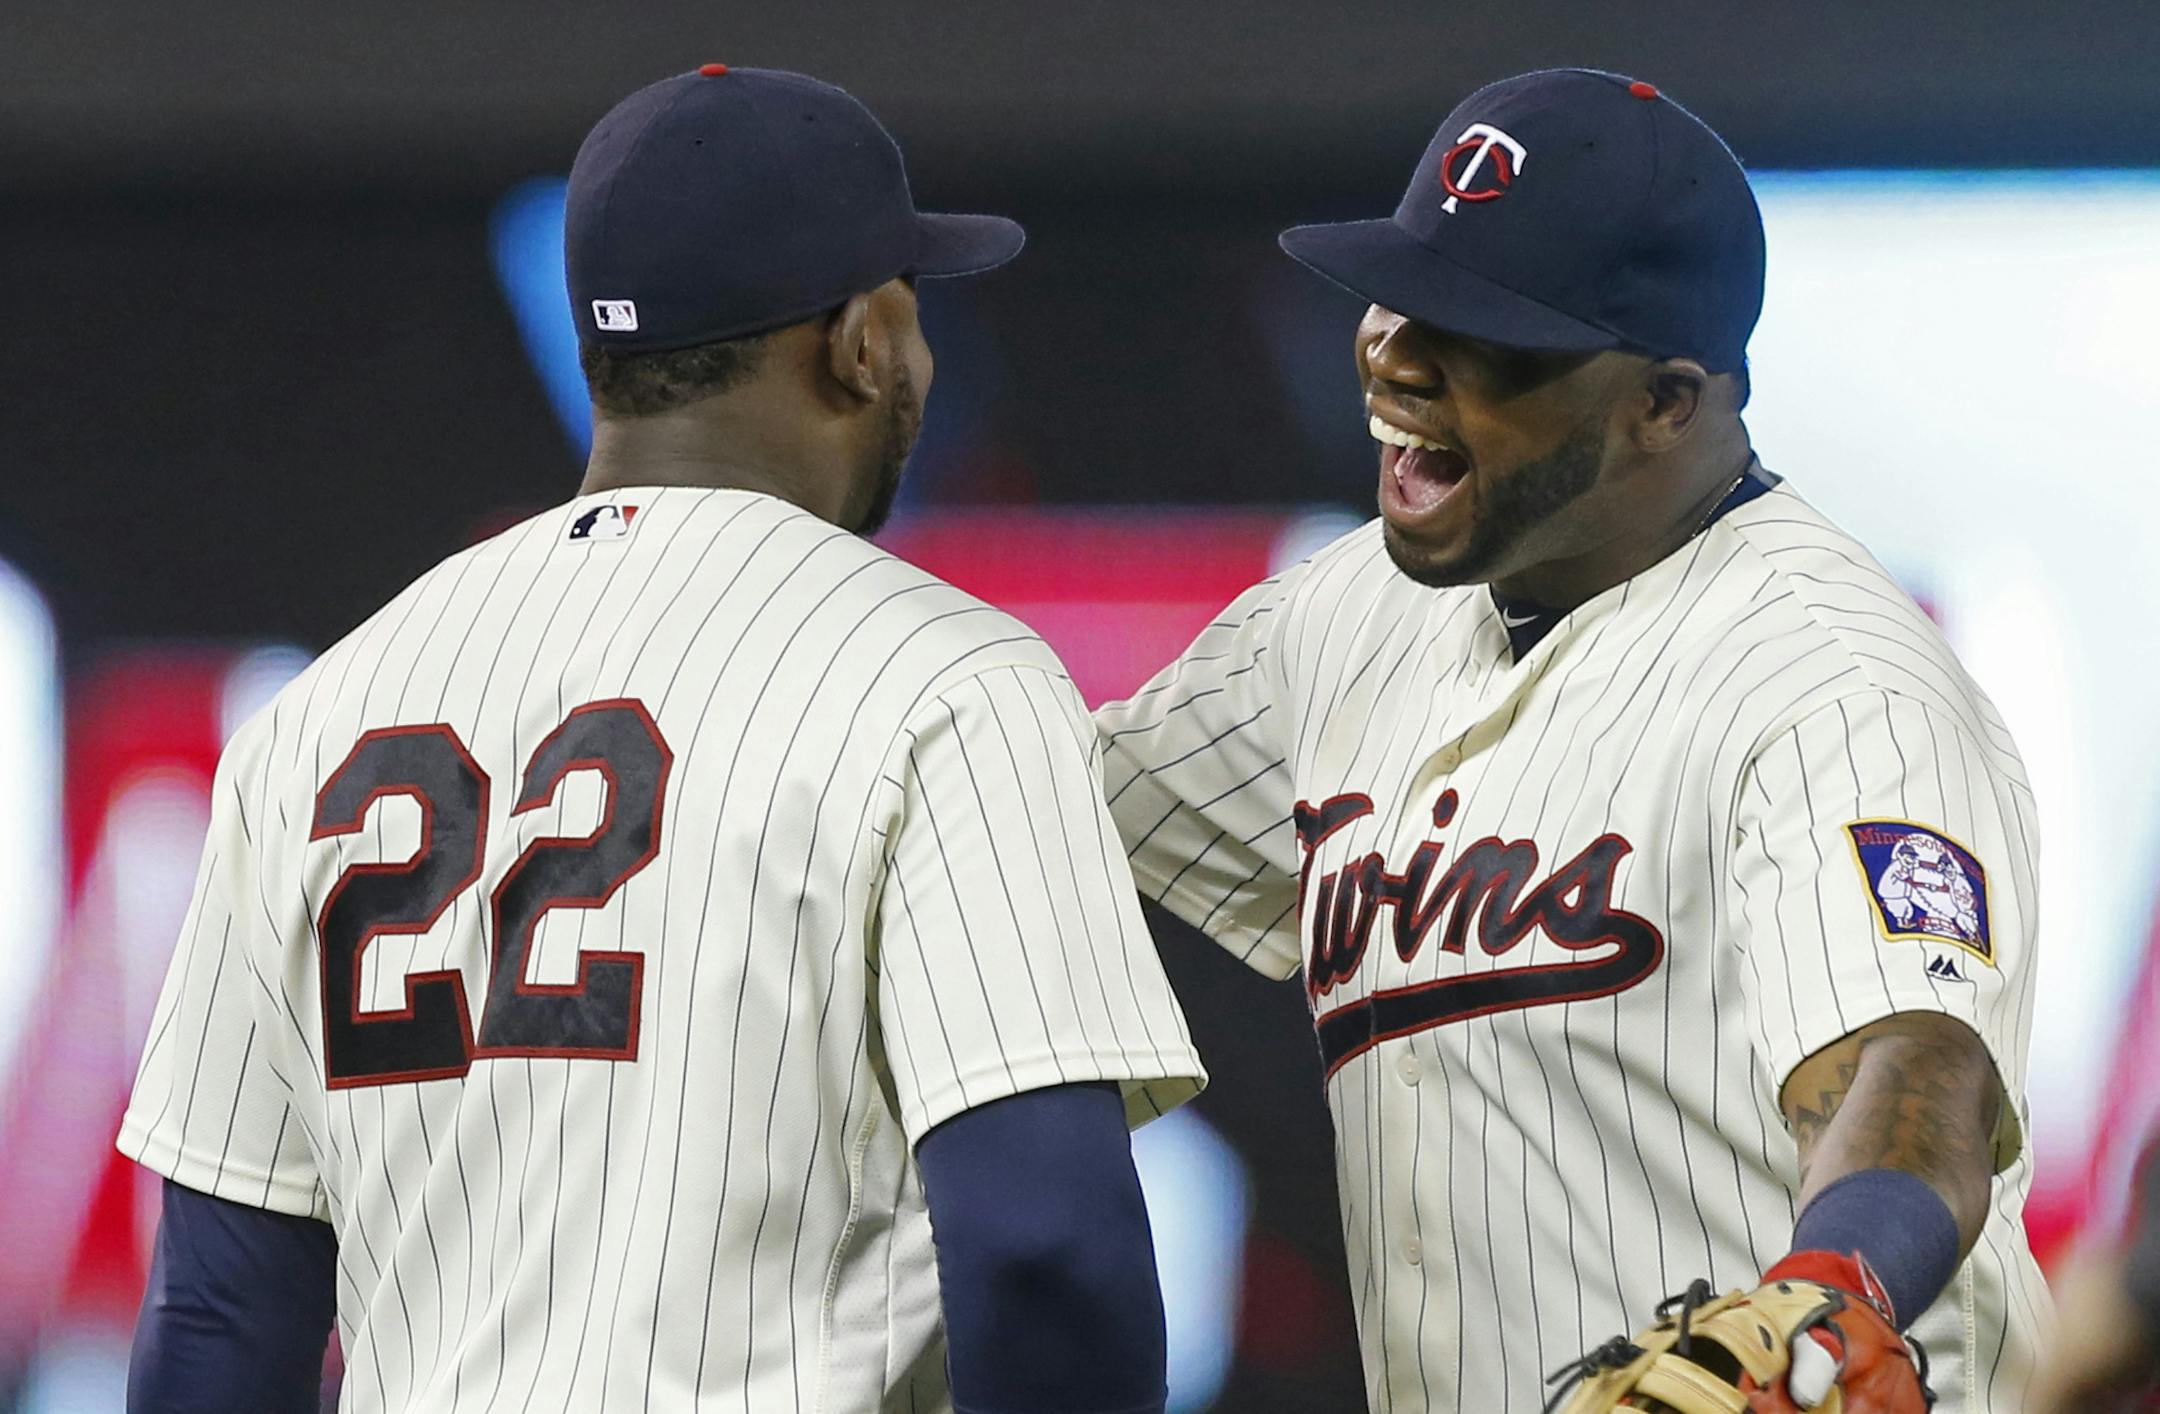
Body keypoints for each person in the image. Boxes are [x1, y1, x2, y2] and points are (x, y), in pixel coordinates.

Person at [119, 65, 1203, 1414]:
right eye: (910, 318)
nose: (915, 362)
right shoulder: (945, 676)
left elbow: (220, 1308)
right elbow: (1047, 1253)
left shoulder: (322, 713)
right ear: (860, 341)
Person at [1095, 68, 2044, 1411]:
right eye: (1403, 292)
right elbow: (1012, 822)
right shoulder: (1340, 620)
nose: (1397, 355)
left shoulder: (1836, 680)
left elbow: (1916, 1074)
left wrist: (1834, 1291)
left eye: (1491, 334)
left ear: (1665, 401)